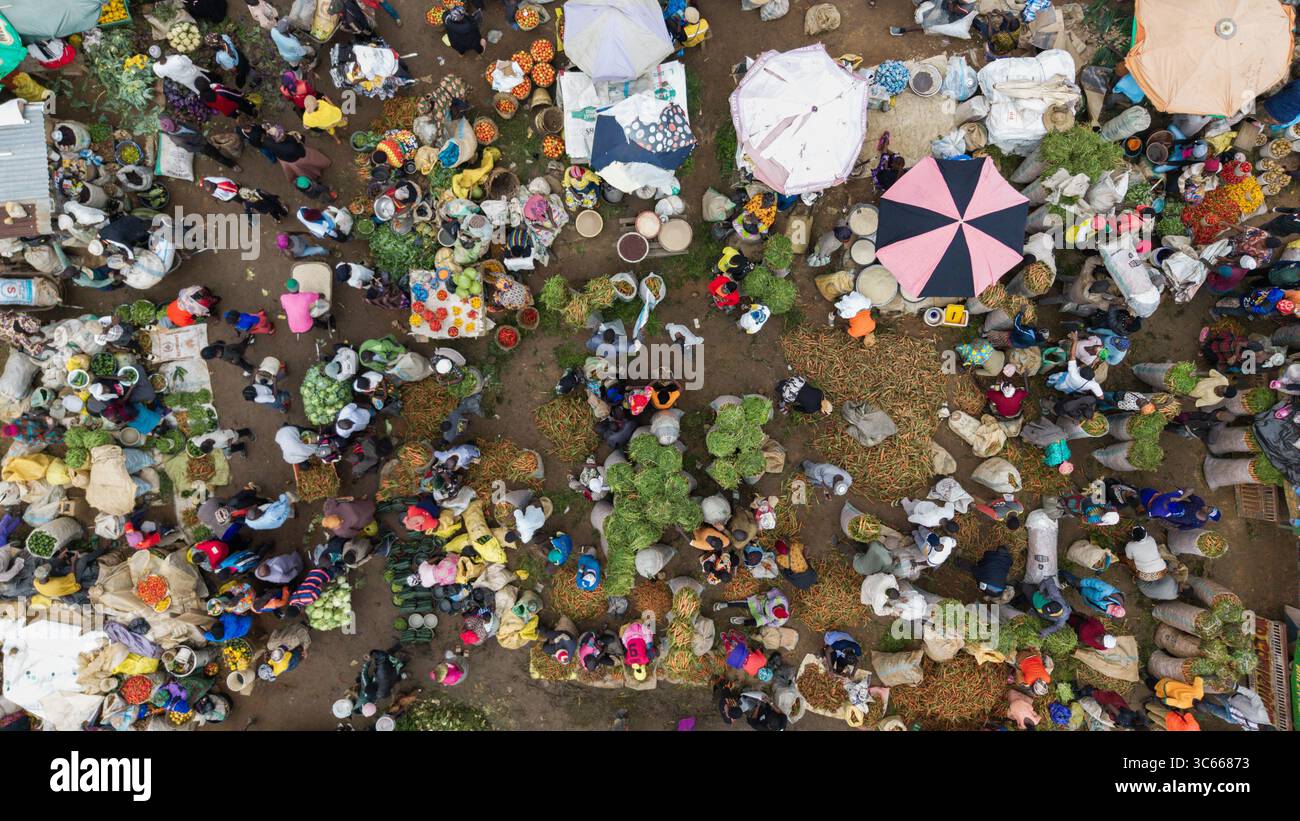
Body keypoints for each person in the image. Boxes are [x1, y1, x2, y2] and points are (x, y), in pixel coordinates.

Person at [159, 117, 241, 170]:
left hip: (201, 137)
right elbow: (189, 149)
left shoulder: (177, 122)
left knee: (214, 145)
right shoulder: (178, 140)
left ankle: (215, 148)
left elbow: (188, 125)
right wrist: (202, 148)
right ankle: (232, 165)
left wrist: (198, 130)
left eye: (173, 121)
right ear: (172, 129)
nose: (175, 122)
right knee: (217, 156)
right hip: (202, 146)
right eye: (174, 123)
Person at [1059, 569, 1126, 617]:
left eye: (1111, 612)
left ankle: (1069, 583)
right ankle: (1059, 571)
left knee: (1076, 587)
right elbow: (1094, 583)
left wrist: (1086, 602)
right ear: (1116, 605)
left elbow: (1097, 607)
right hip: (1084, 587)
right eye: (1111, 608)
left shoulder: (1109, 613)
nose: (1108, 610)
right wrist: (1081, 583)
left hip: (1085, 594)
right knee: (1072, 579)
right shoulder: (1108, 591)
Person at [711, 588, 790, 628]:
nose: (773, 609)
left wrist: (768, 623)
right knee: (744, 603)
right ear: (779, 606)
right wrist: (765, 595)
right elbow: (774, 591)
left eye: (774, 611)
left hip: (766, 617)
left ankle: (743, 621)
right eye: (774, 608)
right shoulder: (780, 599)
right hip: (762, 602)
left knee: (755, 623)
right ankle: (724, 605)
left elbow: (774, 624)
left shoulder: (781, 620)